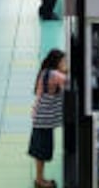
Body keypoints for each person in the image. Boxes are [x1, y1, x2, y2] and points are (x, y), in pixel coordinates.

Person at [29, 49, 67, 188]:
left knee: (40, 151)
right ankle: (40, 181)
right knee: (41, 152)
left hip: (40, 117)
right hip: (44, 120)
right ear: (56, 62)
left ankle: (40, 178)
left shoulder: (45, 72)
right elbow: (67, 80)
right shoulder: (55, 74)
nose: (65, 64)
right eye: (63, 61)